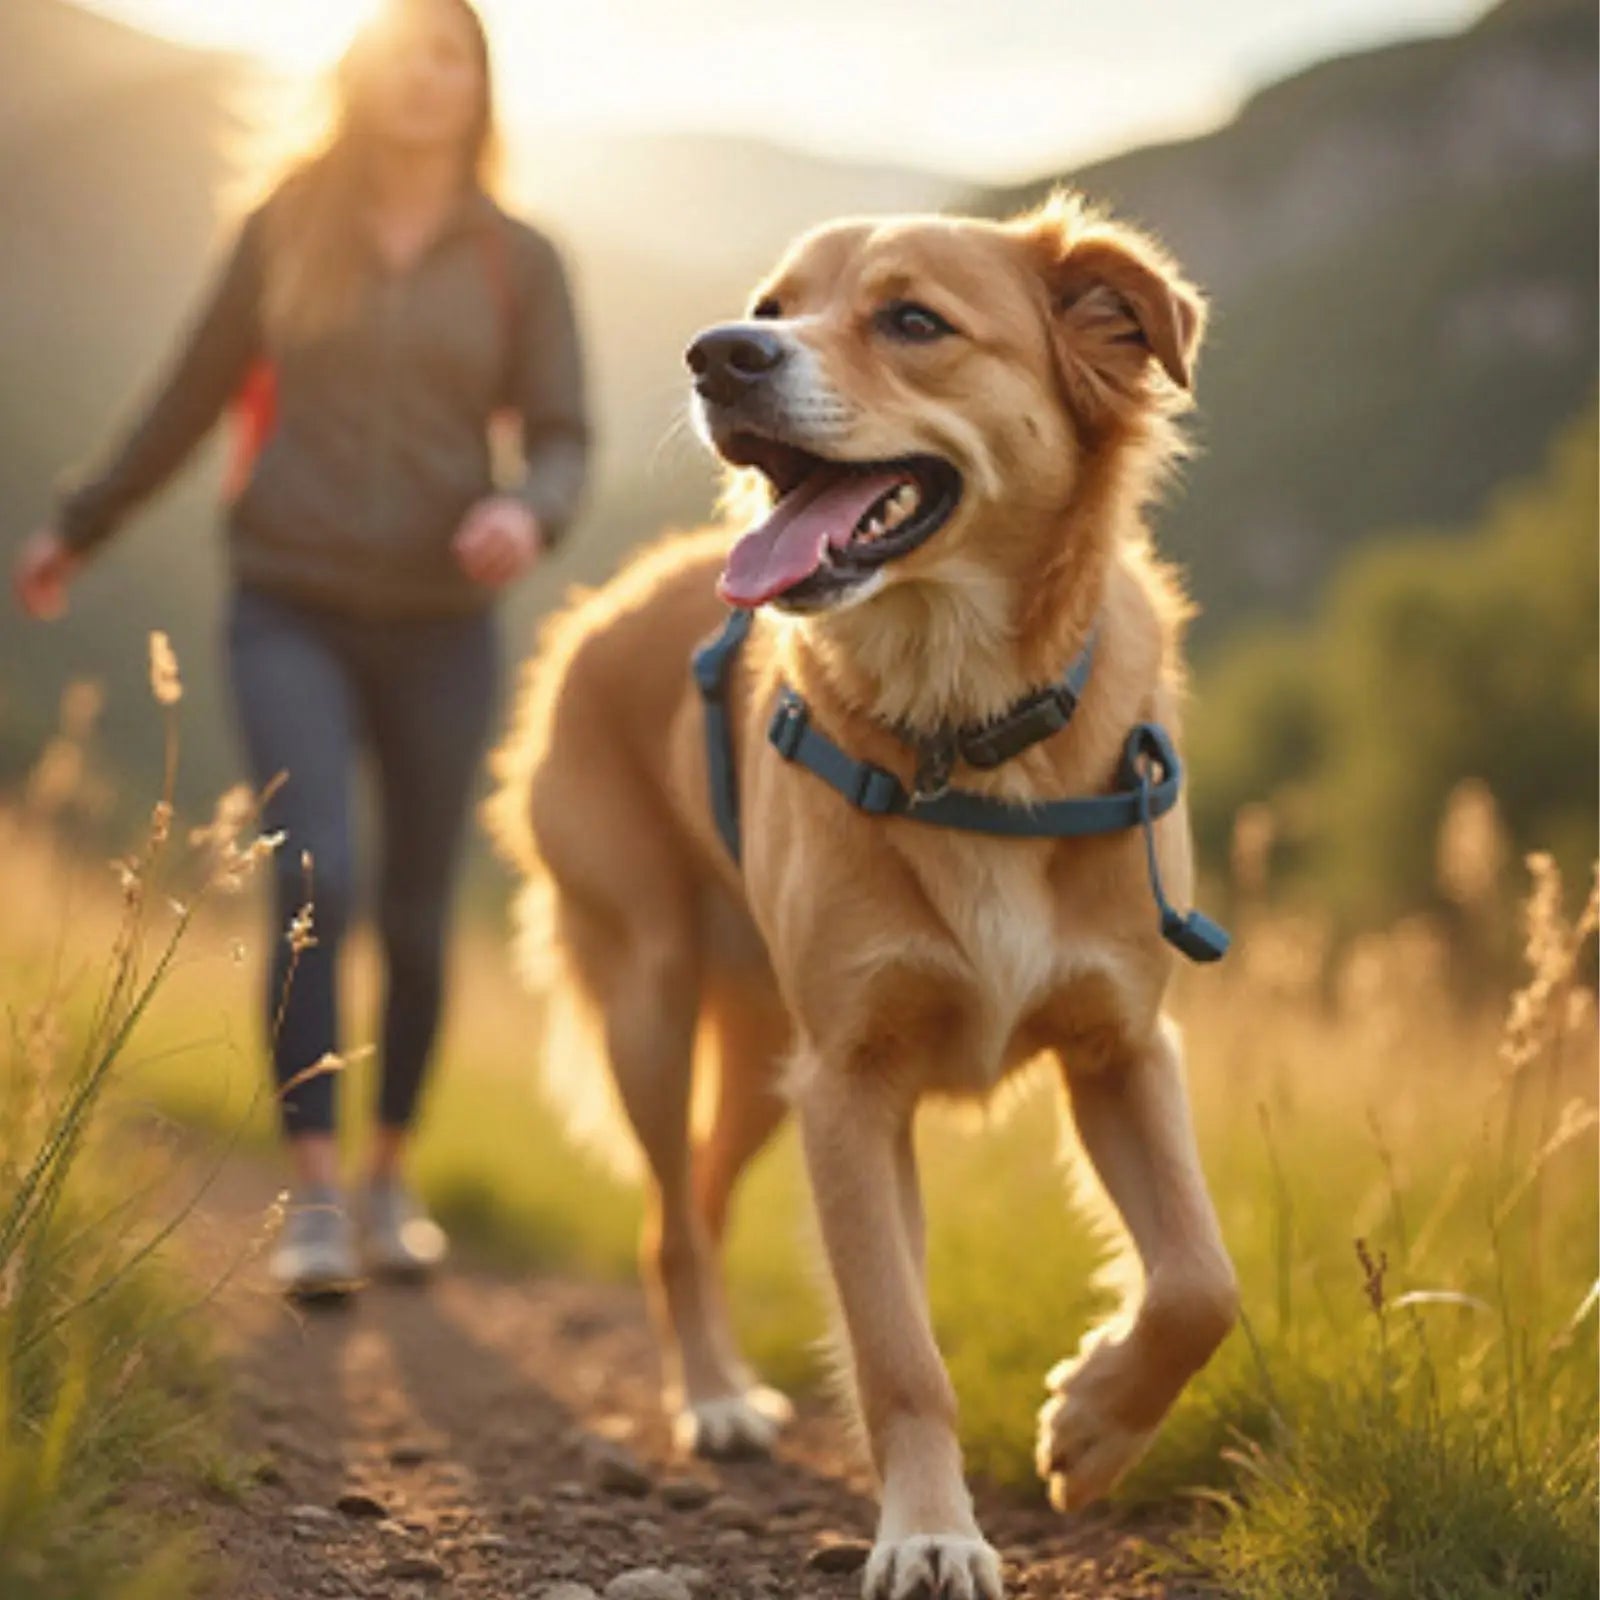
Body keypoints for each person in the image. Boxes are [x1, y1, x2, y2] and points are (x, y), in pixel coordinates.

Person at [12, 0, 590, 1299]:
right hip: (290, 601)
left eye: (453, 52)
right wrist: (80, 524)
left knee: (425, 918)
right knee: (318, 871)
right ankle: (318, 1192)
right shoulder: (288, 224)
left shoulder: (520, 257)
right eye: (403, 49)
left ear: (480, 82)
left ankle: (392, 1179)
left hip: (444, 621)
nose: (427, 76)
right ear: (358, 71)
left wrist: (528, 510)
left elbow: (563, 434)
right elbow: (188, 390)